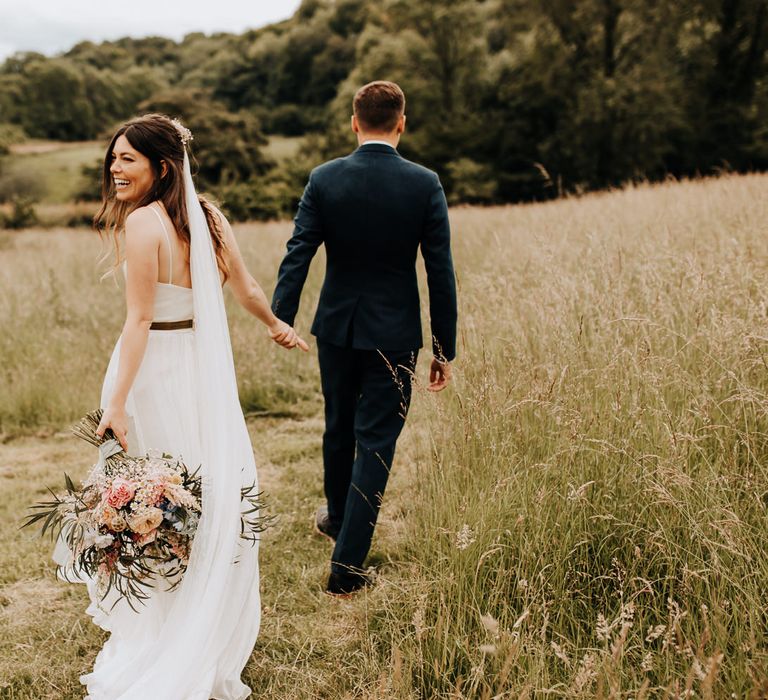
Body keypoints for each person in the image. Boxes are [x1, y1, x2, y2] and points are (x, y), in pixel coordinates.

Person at [62, 113, 306, 699]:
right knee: (188, 492)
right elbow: (246, 289)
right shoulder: (210, 218)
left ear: (162, 167)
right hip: (200, 371)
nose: (115, 168)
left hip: (152, 371)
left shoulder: (143, 224)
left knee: (152, 496)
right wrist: (276, 326)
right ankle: (195, 618)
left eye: (128, 160)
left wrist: (115, 403)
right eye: (113, 158)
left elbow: (140, 319)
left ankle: (165, 624)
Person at [271, 81, 458, 597]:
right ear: (402, 122)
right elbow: (439, 272)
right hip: (394, 335)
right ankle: (346, 569)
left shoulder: (325, 179)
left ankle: (337, 520)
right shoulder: (424, 183)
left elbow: (299, 250)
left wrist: (281, 315)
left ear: (355, 122)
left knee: (339, 428)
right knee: (375, 442)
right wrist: (443, 349)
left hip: (336, 328)